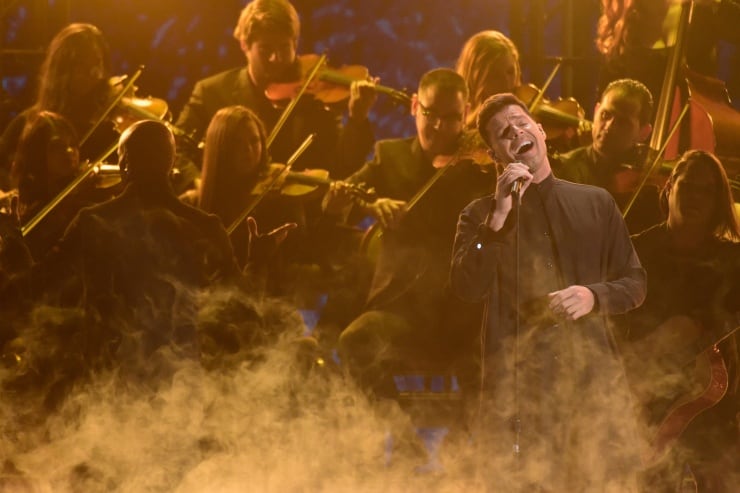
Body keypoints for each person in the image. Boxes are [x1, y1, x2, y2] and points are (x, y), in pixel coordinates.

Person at [450, 93, 646, 490]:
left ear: (540, 130)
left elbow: (635, 284)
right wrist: (499, 216)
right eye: (503, 133)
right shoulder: (479, 216)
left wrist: (593, 296)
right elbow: (466, 286)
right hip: (522, 389)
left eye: (521, 122)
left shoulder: (596, 202)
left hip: (592, 382)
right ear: (495, 155)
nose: (515, 132)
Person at [323, 68, 496, 400]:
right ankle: (402, 436)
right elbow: (347, 201)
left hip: (464, 314)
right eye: (431, 114)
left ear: (466, 113)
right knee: (355, 341)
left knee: (502, 354)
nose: (440, 128)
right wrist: (371, 204)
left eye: (452, 118)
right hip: (400, 309)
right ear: (415, 105)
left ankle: (476, 444)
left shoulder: (481, 167)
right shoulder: (390, 156)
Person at [622, 150, 740, 492]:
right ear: (670, 188)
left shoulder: (733, 262)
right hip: (645, 400)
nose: (695, 197)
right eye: (688, 186)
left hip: (714, 409)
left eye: (707, 190)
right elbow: (602, 326)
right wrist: (644, 350)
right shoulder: (634, 252)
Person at [175, 0, 377, 181]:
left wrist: (357, 119)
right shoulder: (211, 92)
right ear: (245, 45)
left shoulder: (312, 99)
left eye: (284, 47)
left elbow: (342, 166)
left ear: (295, 44)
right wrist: (198, 183)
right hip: (225, 211)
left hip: (296, 215)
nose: (276, 58)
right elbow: (177, 148)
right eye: (265, 50)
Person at [183, 105, 298, 291]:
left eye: (255, 141)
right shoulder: (192, 206)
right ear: (221, 148)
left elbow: (299, 255)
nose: (249, 150)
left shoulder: (274, 197)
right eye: (238, 143)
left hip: (270, 303)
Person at [0, 23, 117, 180]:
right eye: (81, 64)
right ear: (62, 70)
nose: (94, 73)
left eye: (97, 63)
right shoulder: (31, 124)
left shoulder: (111, 126)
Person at [553, 78, 662, 233]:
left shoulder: (648, 187)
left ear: (643, 132)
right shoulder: (562, 168)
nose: (609, 126)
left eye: (623, 122)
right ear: (596, 110)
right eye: (605, 115)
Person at [596, 0, 740, 114]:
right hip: (636, 139)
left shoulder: (701, 11)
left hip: (696, 131)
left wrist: (718, 4)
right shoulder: (622, 18)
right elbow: (607, 92)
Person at [455, 30, 521, 130]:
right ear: (475, 79)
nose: (507, 84)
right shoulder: (459, 128)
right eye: (495, 76)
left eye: (510, 72)